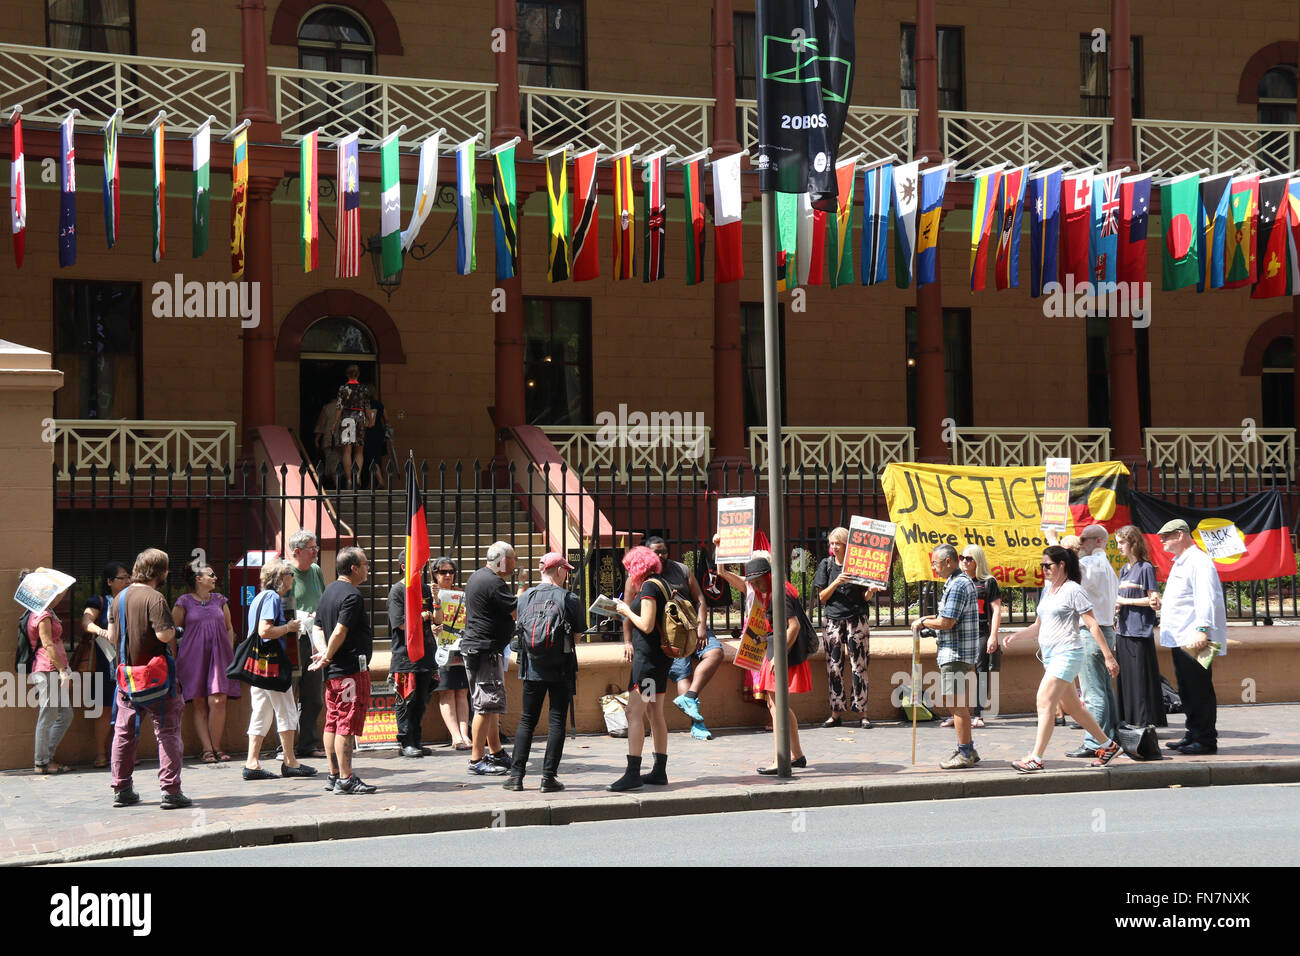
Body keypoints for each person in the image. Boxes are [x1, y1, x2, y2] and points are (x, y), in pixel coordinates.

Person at [1003, 546, 1122, 772]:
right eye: (1042, 566)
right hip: (1050, 656)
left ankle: (1036, 758)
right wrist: (1016, 636)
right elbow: (1038, 626)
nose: (1044, 569)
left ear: (1062, 565)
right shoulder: (1049, 591)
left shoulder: (1073, 590)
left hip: (1067, 653)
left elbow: (1092, 624)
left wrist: (1108, 656)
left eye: (1048, 565)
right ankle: (1108, 746)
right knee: (1074, 707)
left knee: (1044, 701)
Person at [108, 548, 191, 809]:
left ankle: (122, 789)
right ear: (161, 572)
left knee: (123, 734)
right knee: (167, 732)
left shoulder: (119, 598)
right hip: (157, 679)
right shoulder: (155, 598)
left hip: (127, 679)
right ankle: (171, 791)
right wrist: (176, 630)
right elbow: (164, 636)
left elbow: (112, 636)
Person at [715, 553, 812, 775]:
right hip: (774, 647)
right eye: (753, 582)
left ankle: (782, 758)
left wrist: (779, 654)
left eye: (758, 580)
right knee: (777, 705)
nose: (755, 585)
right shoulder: (773, 590)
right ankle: (796, 754)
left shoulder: (780, 593)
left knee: (776, 705)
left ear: (769, 575)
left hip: (779, 651)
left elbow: (793, 626)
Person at [505, 552, 582, 792]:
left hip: (531, 667)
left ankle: (516, 777)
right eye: (565, 570)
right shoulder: (569, 598)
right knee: (556, 720)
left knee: (527, 720)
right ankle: (548, 778)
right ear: (558, 570)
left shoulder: (526, 596)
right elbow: (577, 636)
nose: (567, 574)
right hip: (560, 667)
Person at [1154, 519, 1227, 755]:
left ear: (1181, 535)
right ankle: (1193, 733)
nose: (1162, 540)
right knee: (1186, 688)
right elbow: (1185, 599)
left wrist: (1202, 630)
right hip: (1182, 636)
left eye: (1166, 536)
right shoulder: (1182, 562)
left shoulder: (1198, 561)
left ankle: (1205, 740)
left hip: (1195, 636)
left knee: (1199, 689)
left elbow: (1206, 598)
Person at [309, 546, 378, 794]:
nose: (368, 568)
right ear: (354, 568)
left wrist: (325, 655)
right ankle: (346, 779)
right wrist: (327, 655)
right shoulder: (352, 596)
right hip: (350, 671)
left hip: (333, 673)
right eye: (365, 564)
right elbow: (340, 629)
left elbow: (316, 627)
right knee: (346, 724)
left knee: (333, 722)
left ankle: (334, 775)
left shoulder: (328, 592)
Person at [243, 558, 316, 781]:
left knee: (262, 711)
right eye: (289, 574)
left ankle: (251, 762)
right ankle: (290, 761)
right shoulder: (273, 597)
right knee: (286, 709)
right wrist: (289, 627)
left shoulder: (258, 597)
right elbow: (265, 631)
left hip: (259, 665)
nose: (292, 577)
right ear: (281, 577)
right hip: (273, 665)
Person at [911, 544, 982, 769]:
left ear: (948, 562)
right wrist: (926, 619)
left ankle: (965, 753)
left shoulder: (958, 584)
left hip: (956, 653)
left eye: (935, 563)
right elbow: (945, 615)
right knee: (956, 703)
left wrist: (922, 622)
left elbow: (947, 622)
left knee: (956, 704)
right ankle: (968, 748)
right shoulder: (955, 582)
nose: (933, 567)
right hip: (956, 653)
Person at [641, 536, 718, 741]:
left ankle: (689, 697)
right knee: (683, 674)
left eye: (663, 551)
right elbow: (630, 608)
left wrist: (701, 626)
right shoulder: (641, 575)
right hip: (668, 635)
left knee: (715, 652)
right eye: (655, 552)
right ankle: (697, 725)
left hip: (692, 625)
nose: (660, 555)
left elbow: (700, 599)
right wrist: (628, 641)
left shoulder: (681, 570)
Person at [609, 545, 672, 790]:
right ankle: (659, 771)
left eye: (629, 569)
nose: (628, 574)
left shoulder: (648, 587)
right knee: (655, 713)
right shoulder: (663, 583)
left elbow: (645, 625)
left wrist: (625, 610)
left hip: (647, 664)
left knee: (634, 712)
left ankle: (633, 772)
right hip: (659, 661)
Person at [812, 527, 883, 729]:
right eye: (832, 543)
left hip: (856, 618)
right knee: (834, 666)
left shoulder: (859, 565)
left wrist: (871, 591)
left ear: (847, 545)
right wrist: (836, 581)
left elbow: (864, 597)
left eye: (838, 543)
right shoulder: (826, 565)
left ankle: (862, 712)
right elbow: (822, 597)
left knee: (859, 665)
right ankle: (835, 712)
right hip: (833, 619)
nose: (834, 547)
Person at [460, 541, 518, 775]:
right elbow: (515, 610)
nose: (514, 563)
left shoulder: (478, 576)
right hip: (484, 651)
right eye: (512, 558)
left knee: (490, 704)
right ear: (502, 560)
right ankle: (476, 759)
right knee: (484, 706)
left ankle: (496, 752)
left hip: (480, 650)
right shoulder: (494, 582)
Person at [173, 563, 240, 763]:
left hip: (219, 656)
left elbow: (229, 628)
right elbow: (171, 631)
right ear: (198, 578)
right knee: (200, 701)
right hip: (193, 656)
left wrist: (229, 651)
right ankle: (207, 748)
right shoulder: (183, 602)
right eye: (210, 574)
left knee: (218, 700)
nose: (215, 577)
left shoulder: (220, 600)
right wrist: (174, 657)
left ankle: (217, 746)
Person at [1069, 524, 1121, 758]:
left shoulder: (1092, 564)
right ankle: (1108, 736)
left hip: (1092, 632)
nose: (1081, 544)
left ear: (1098, 541)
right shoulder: (1107, 566)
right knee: (1104, 690)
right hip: (1105, 629)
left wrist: (1060, 546)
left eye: (1084, 539)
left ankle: (1094, 741)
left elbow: (1070, 573)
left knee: (1093, 692)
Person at [387, 549, 441, 758]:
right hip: (405, 655)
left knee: (421, 701)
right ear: (404, 567)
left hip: (426, 653)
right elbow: (400, 624)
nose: (419, 570)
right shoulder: (397, 591)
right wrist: (423, 615)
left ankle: (416, 740)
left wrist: (435, 599)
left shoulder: (426, 589)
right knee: (405, 700)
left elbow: (437, 619)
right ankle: (405, 741)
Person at [79, 561, 132, 767]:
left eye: (129, 577)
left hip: (128, 660)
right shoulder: (99, 601)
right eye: (122, 577)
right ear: (109, 581)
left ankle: (123, 753)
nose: (127, 581)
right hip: (105, 661)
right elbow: (86, 621)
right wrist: (101, 631)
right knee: (105, 708)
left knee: (128, 708)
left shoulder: (130, 599)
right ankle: (101, 754)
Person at [1113, 525, 1166, 729]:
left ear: (1133, 543)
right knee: (1126, 677)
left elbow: (1153, 600)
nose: (1118, 547)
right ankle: (1129, 720)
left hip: (1139, 630)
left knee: (1140, 677)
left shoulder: (1145, 568)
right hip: (1123, 629)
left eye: (1122, 542)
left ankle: (1144, 722)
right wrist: (1118, 604)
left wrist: (1124, 602)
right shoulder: (1124, 570)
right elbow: (1123, 598)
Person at [285, 530, 327, 759]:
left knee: (314, 696)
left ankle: (308, 744)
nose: (316, 552)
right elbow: (283, 608)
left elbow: (322, 598)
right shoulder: (286, 573)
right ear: (297, 551)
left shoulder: (316, 571)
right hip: (294, 640)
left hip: (315, 640)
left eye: (316, 547)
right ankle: (286, 745)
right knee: (289, 693)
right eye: (312, 548)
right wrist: (302, 617)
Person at [25, 576, 74, 774]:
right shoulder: (42, 615)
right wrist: (62, 671)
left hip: (53, 670)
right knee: (47, 716)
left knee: (65, 714)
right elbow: (47, 644)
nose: (58, 595)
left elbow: (60, 594)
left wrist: (62, 582)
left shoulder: (47, 611)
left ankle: (47, 756)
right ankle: (42, 763)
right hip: (48, 669)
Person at [431, 557, 472, 749]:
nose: (447, 575)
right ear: (434, 574)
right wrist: (435, 601)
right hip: (442, 648)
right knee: (446, 691)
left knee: (462, 691)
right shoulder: (430, 593)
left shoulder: (461, 594)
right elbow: (432, 620)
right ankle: (455, 736)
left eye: (450, 572)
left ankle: (465, 734)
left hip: (461, 646)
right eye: (442, 572)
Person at [960, 544, 1003, 727]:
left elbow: (997, 609)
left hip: (980, 630)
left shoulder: (988, 582)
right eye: (962, 557)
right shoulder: (958, 581)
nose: (964, 562)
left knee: (980, 670)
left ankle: (978, 713)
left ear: (978, 561)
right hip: (961, 633)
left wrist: (993, 636)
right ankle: (958, 714)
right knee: (958, 671)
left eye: (968, 559)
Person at [329, 364, 372, 489]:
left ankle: (348, 479)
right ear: (358, 374)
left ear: (347, 375)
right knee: (359, 450)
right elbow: (367, 407)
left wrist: (334, 422)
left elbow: (339, 407)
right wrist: (370, 419)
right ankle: (357, 475)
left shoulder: (343, 388)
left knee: (347, 450)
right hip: (359, 417)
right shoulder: (363, 389)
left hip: (346, 417)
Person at [362, 398, 391, 489]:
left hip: (369, 433)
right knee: (375, 457)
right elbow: (387, 419)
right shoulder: (379, 404)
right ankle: (375, 481)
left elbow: (371, 422)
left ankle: (380, 480)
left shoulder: (364, 403)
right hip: (379, 433)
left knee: (371, 457)